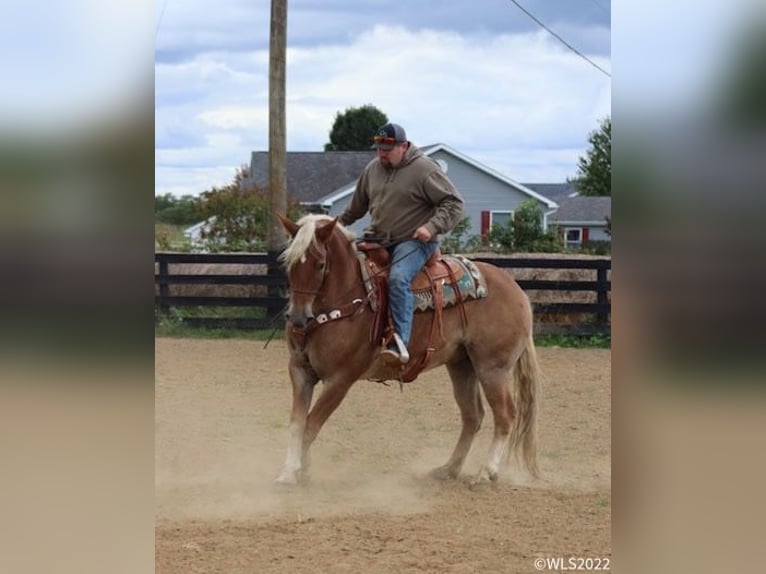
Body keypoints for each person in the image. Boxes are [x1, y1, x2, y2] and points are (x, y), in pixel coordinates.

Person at [339, 122, 465, 365]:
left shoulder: (423, 170)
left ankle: (399, 342)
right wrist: (333, 225)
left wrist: (431, 227)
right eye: (379, 148)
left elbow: (453, 203)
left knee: (398, 278)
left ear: (404, 146)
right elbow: (356, 207)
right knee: (343, 267)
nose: (382, 154)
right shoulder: (373, 169)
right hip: (378, 239)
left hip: (413, 242)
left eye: (388, 149)